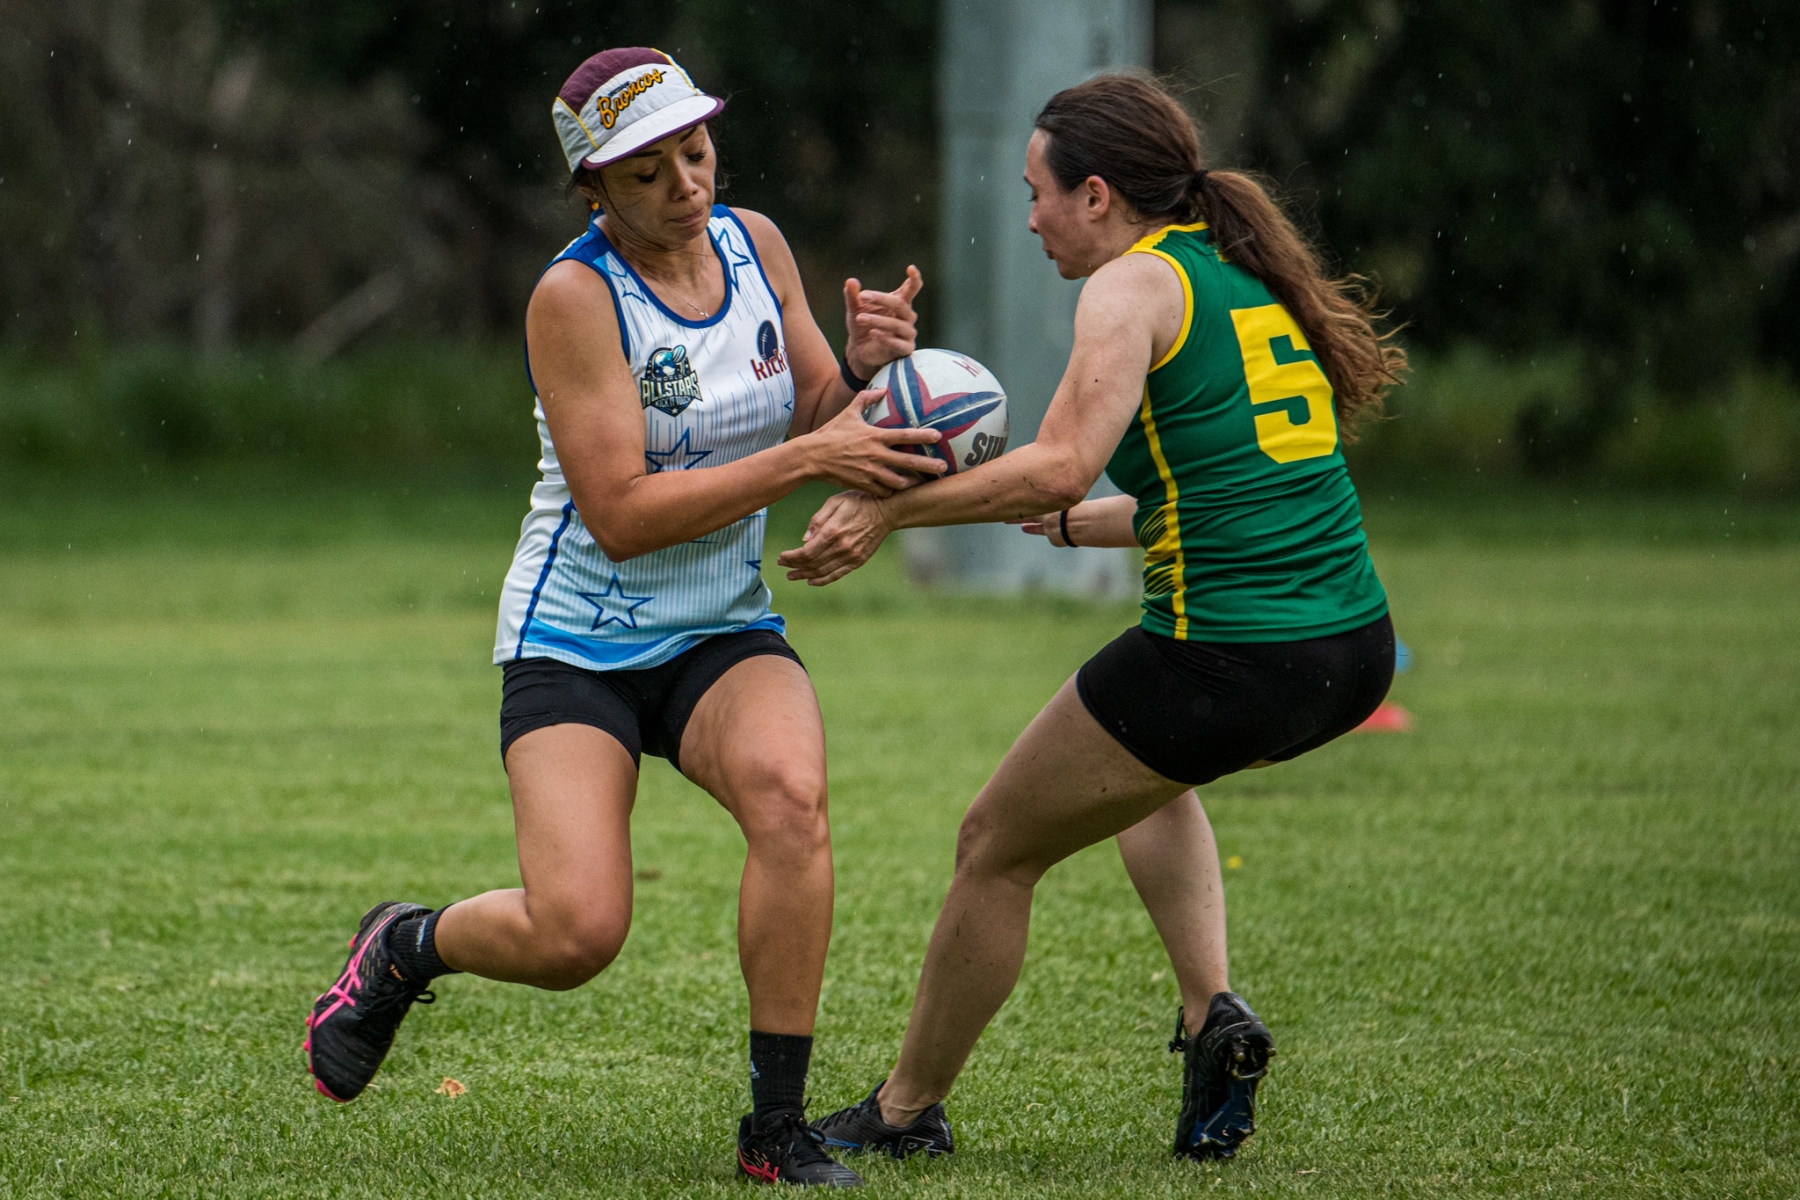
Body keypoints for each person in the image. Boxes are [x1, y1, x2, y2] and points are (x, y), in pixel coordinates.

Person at [303, 47, 945, 1189]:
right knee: (577, 935)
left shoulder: (757, 244)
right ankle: (405, 945)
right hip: (577, 641)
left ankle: (775, 1129)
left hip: (722, 626)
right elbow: (621, 516)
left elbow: (814, 409)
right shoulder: (574, 297)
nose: (685, 185)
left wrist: (859, 370)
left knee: (791, 802)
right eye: (646, 174)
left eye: (695, 153)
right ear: (593, 189)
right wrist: (810, 456)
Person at [784, 73, 1407, 1163]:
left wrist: (889, 508)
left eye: (1038, 194)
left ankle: (902, 1112)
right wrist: (1081, 530)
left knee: (994, 846)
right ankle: (1213, 1018)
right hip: (1352, 654)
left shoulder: (1129, 287)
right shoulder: (1238, 274)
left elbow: (1059, 463)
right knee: (1143, 771)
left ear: (1097, 195)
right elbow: (1226, 491)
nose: (1029, 219)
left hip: (1235, 657)